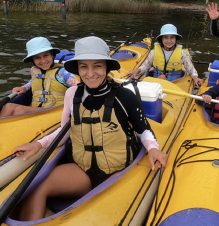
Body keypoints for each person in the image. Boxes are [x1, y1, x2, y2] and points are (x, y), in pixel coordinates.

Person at [13, 36, 167, 221]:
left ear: (107, 67)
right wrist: (38, 144)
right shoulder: (71, 94)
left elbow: (143, 129)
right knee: (37, 187)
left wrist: (153, 149)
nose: (90, 73)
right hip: (82, 171)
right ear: (77, 69)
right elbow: (65, 130)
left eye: (97, 66)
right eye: (84, 66)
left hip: (118, 172)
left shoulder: (125, 96)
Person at [0, 37, 78, 116]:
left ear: (52, 55)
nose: (43, 61)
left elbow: (78, 87)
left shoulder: (63, 73)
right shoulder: (36, 71)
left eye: (46, 55)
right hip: (38, 109)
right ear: (32, 60)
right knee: (7, 107)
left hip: (55, 111)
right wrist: (24, 88)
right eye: (37, 58)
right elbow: (32, 82)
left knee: (10, 107)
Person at [129, 23, 202, 86]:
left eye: (172, 37)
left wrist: (195, 77)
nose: (169, 41)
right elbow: (146, 65)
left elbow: (190, 68)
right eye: (166, 37)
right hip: (156, 79)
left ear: (176, 39)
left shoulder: (182, 53)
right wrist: (137, 71)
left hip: (175, 82)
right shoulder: (153, 52)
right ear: (161, 39)